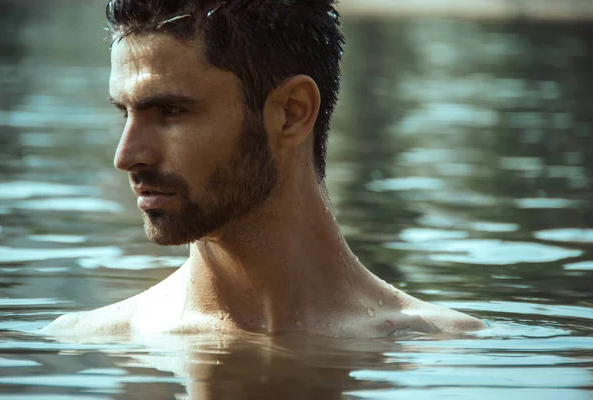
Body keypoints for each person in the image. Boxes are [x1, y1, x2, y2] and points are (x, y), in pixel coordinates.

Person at [42, 0, 485, 338]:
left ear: (291, 113)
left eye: (171, 111)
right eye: (126, 113)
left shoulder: (443, 350)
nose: (127, 156)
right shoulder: (91, 338)